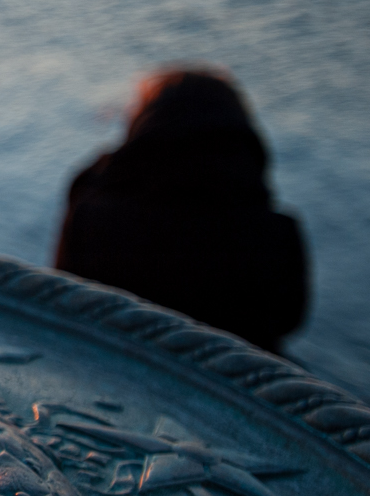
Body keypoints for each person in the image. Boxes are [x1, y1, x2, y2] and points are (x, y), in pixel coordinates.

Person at [54, 66, 307, 353]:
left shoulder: (93, 217)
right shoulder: (276, 235)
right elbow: (290, 320)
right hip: (233, 380)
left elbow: (63, 294)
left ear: (144, 120)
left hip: (112, 362)